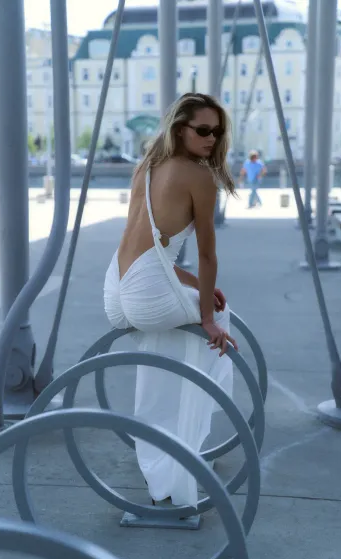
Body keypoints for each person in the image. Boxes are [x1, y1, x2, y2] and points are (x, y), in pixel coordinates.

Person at [103, 93, 238, 508]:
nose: (212, 139)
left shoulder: (146, 166)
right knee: (219, 322)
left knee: (174, 341)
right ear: (180, 130)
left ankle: (165, 445)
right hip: (147, 292)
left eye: (217, 132)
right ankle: (185, 449)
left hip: (118, 287)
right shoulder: (198, 176)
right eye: (204, 130)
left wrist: (194, 284)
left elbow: (149, 249)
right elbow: (208, 254)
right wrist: (207, 319)